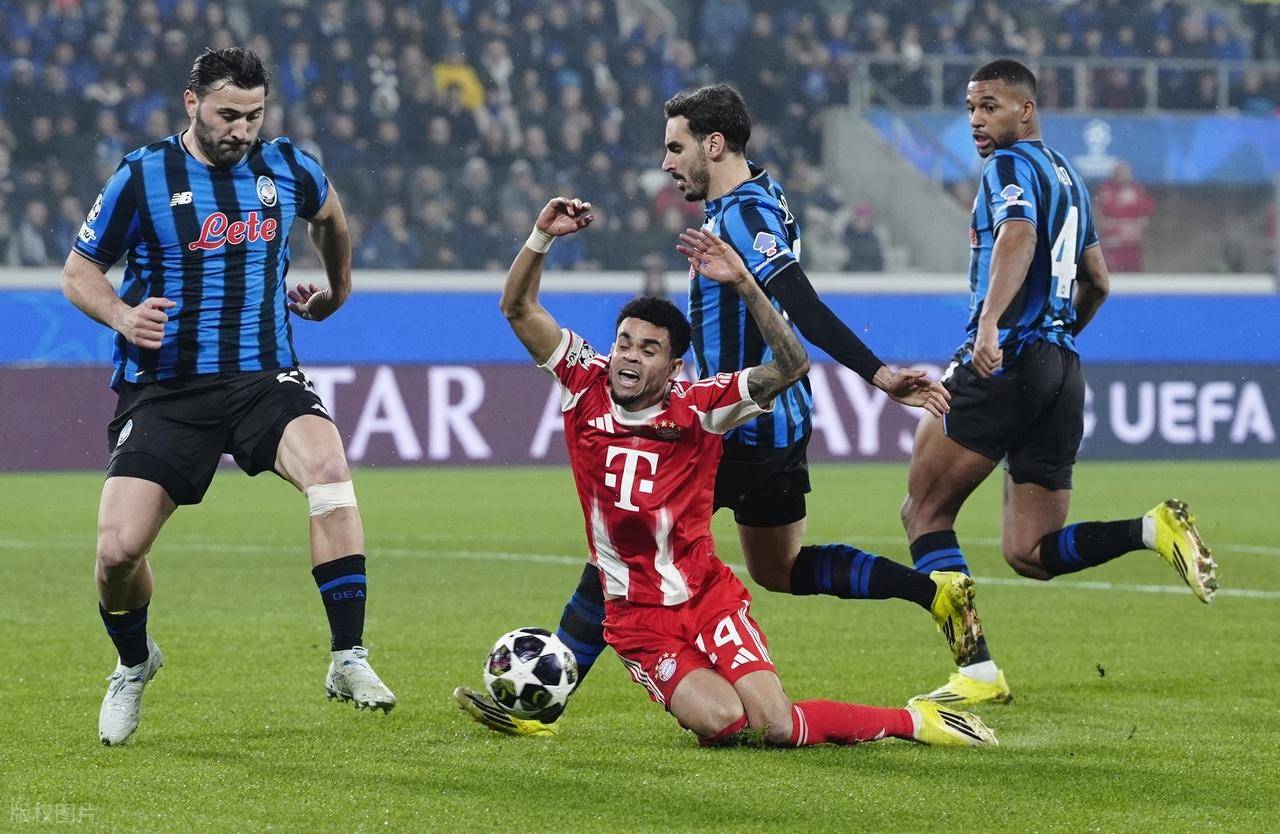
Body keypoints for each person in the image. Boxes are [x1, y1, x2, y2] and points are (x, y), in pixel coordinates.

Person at [457, 84, 977, 737]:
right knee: (778, 567)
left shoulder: (741, 217)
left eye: (675, 149)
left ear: (714, 144)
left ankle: (543, 706)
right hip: (779, 423)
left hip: (734, 425)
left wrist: (879, 375)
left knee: (621, 550)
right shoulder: (764, 194)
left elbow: (802, 303)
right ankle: (932, 591)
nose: (666, 163)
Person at [61, 47, 395, 747]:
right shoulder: (142, 175)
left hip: (261, 377)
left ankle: (348, 656)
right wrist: (121, 316)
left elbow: (331, 219)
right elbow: (79, 270)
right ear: (192, 103)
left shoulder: (288, 166)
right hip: (165, 388)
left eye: (253, 115)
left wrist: (338, 293)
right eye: (227, 114)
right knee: (117, 553)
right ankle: (133, 663)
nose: (241, 129)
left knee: (329, 472)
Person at [900, 59, 1218, 708]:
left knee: (924, 512)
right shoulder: (1066, 174)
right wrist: (1058, 336)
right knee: (1030, 551)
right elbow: (1098, 280)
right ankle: (1150, 529)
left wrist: (992, 325)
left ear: (1025, 110)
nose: (976, 121)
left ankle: (976, 672)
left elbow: (1018, 236)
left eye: (989, 106)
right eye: (970, 108)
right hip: (1061, 368)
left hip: (1006, 359)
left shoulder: (1008, 166)